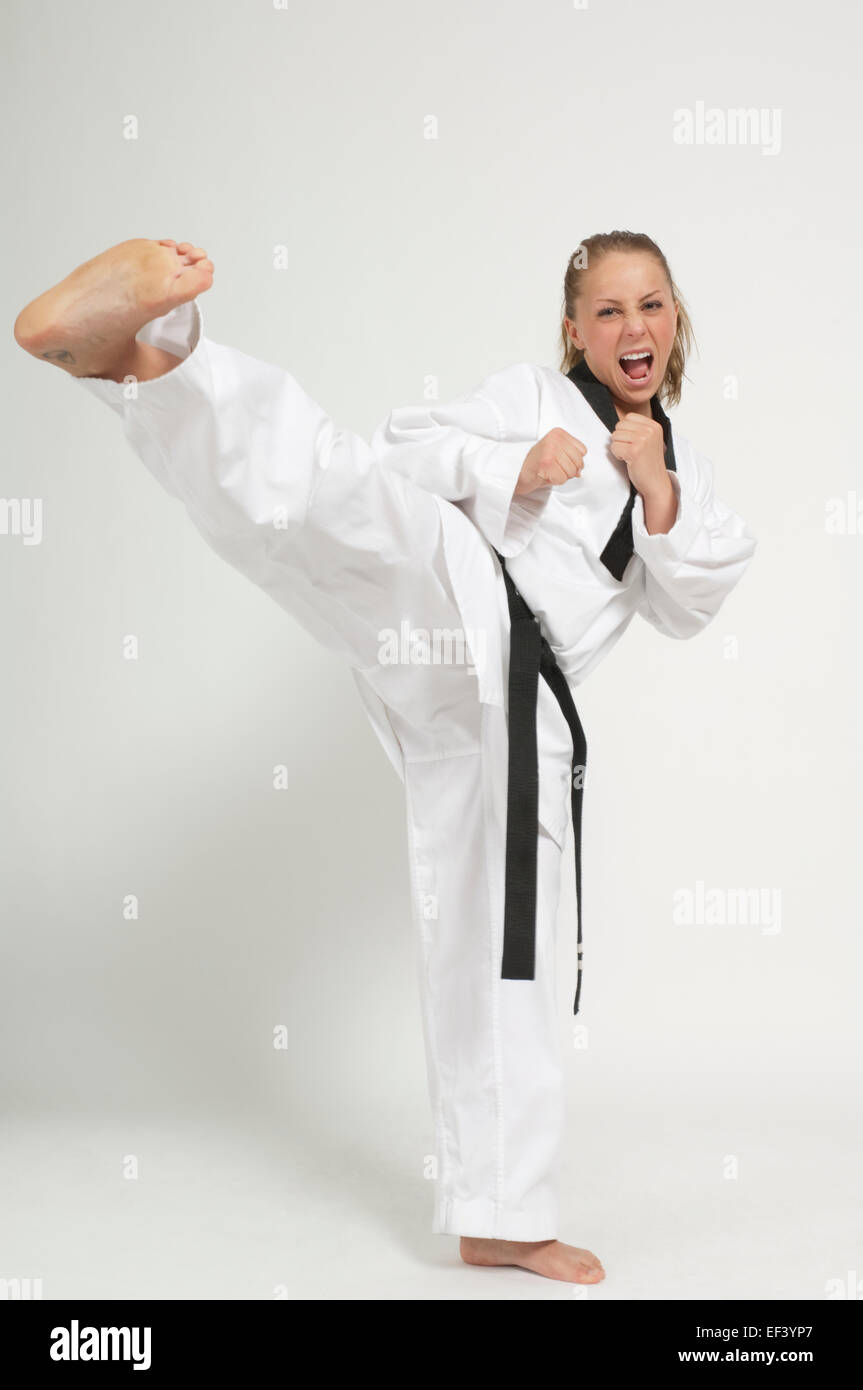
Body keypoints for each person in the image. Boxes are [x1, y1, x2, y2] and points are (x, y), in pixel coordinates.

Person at [12, 230, 756, 1285]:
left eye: (649, 305)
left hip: (514, 706)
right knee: (336, 499)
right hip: (459, 589)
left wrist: (658, 488)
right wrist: (510, 464)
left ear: (673, 317)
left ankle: (499, 1211)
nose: (630, 327)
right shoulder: (526, 398)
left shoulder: (687, 471)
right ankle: (145, 355)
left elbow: (693, 595)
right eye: (605, 311)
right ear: (571, 330)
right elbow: (404, 447)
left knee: (505, 948)